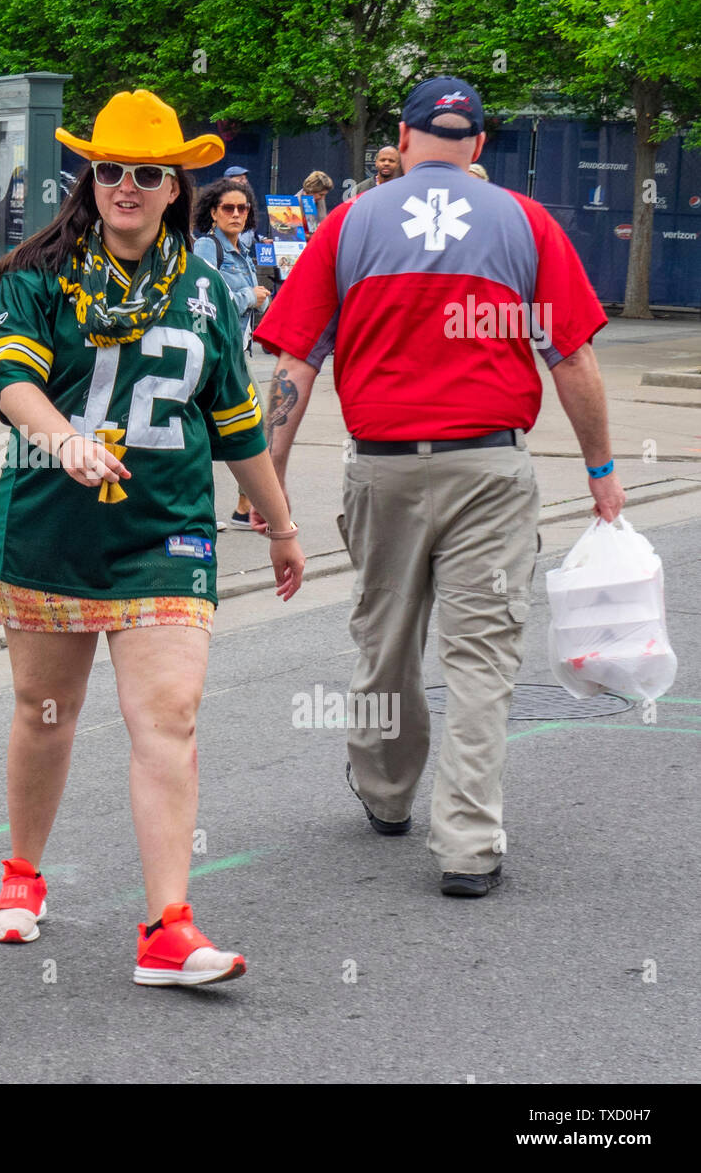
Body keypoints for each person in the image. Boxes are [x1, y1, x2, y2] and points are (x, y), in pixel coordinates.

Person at [253, 75, 623, 899]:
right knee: (483, 656)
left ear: (405, 136)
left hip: (381, 465)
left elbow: (293, 366)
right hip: (490, 467)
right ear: (479, 145)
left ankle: (386, 796)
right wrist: (600, 471)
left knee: (384, 642)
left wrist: (266, 488)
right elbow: (573, 357)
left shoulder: (349, 224)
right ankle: (469, 844)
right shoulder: (526, 223)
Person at [0, 89, 305, 987]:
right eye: (111, 169)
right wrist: (64, 441)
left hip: (166, 533)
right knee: (47, 715)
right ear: (92, 176)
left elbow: (236, 421)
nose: (126, 185)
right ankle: (22, 872)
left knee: (168, 716)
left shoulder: (203, 287)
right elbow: (10, 382)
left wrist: (279, 524)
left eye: (147, 173)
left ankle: (168, 926)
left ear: (175, 187)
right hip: (50, 525)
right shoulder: (38, 273)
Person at [192, 177, 269, 531]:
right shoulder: (209, 247)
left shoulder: (241, 251)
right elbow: (207, 302)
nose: (236, 214)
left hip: (238, 349)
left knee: (218, 426)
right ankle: (241, 507)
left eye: (243, 208)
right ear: (213, 211)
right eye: (228, 208)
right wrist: (249, 298)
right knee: (252, 421)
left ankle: (242, 507)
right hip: (215, 350)